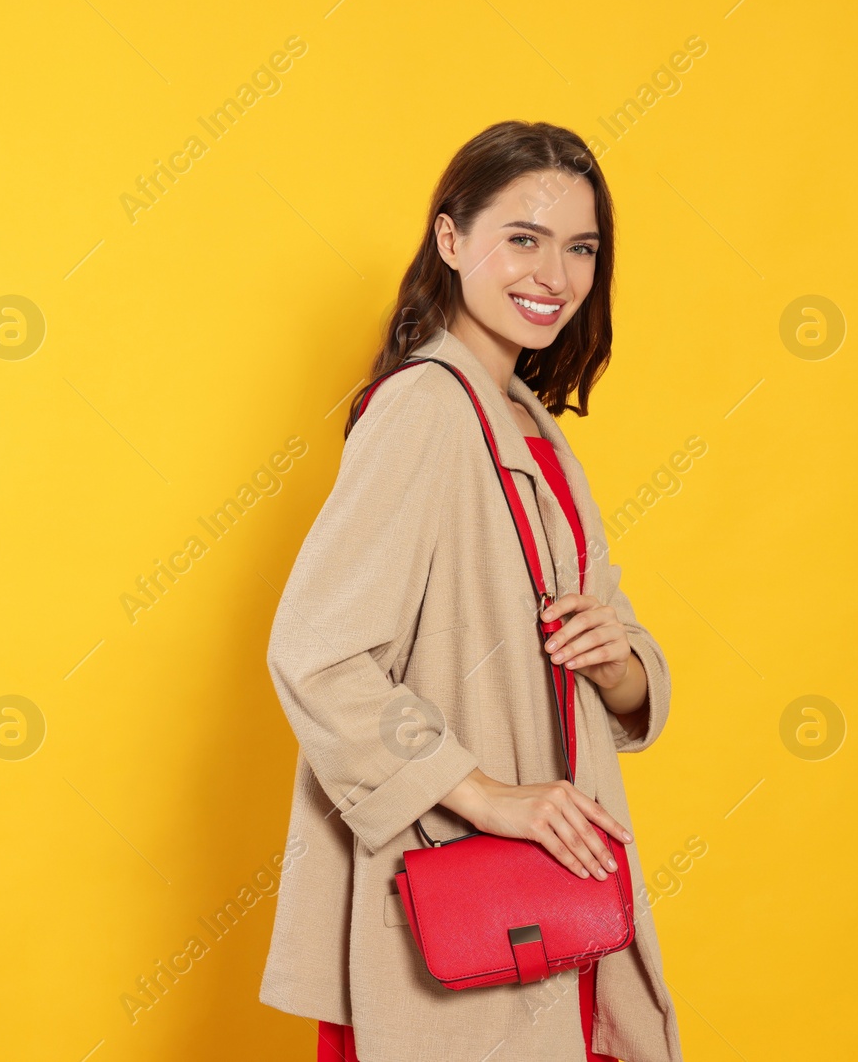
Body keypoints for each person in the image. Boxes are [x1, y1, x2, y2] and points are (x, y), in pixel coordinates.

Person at [258, 121, 684, 1061]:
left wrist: (617, 662)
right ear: (451, 242)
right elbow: (317, 652)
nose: (555, 276)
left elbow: (615, 643)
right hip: (458, 906)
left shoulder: (529, 427)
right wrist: (484, 793)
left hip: (554, 901)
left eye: (580, 248)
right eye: (522, 238)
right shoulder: (423, 410)